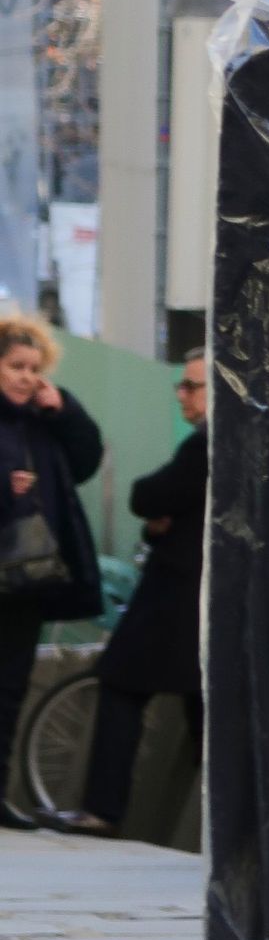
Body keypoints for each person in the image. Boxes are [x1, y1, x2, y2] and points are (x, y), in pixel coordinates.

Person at [48, 351, 209, 836]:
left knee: (121, 683)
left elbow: (151, 496)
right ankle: (232, 821)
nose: (181, 394)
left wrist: (162, 519)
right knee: (204, 703)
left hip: (175, 596)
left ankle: (102, 807)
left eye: (191, 386)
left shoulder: (204, 445)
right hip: (201, 600)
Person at [0, 312, 103, 831]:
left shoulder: (44, 421)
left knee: (13, 684)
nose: (25, 377)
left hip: (28, 577)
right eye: (15, 366)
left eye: (33, 368)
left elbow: (86, 460)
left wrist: (65, 410)